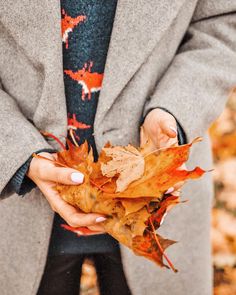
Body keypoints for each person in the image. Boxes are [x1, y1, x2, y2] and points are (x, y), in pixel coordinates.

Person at [0, 1, 236, 295]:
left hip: (154, 201)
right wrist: (13, 148)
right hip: (16, 208)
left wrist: (175, 110)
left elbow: (223, 21)